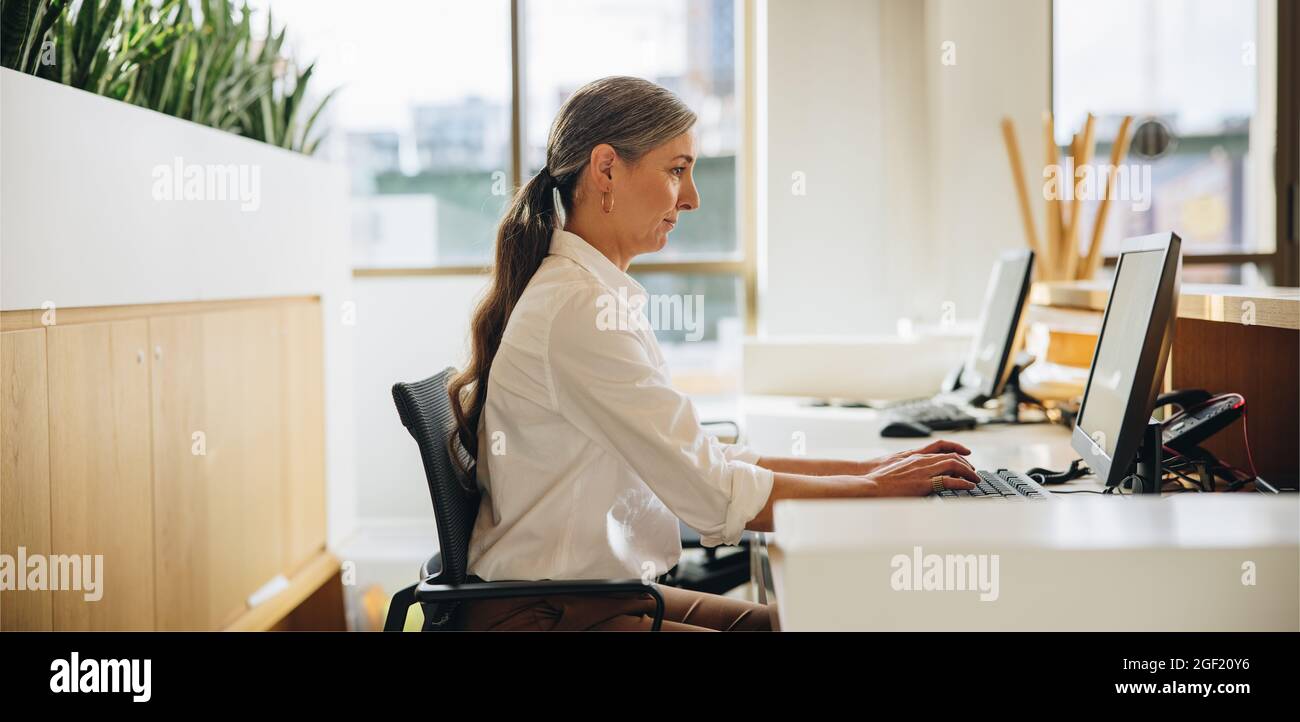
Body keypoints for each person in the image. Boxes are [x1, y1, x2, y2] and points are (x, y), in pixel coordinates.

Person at [448, 76, 979, 631]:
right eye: (677, 170)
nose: (693, 197)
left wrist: (873, 470)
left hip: (591, 598)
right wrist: (873, 491)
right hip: (546, 616)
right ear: (605, 169)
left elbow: (707, 462)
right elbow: (713, 494)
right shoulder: (579, 310)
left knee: (801, 619)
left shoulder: (591, 296)